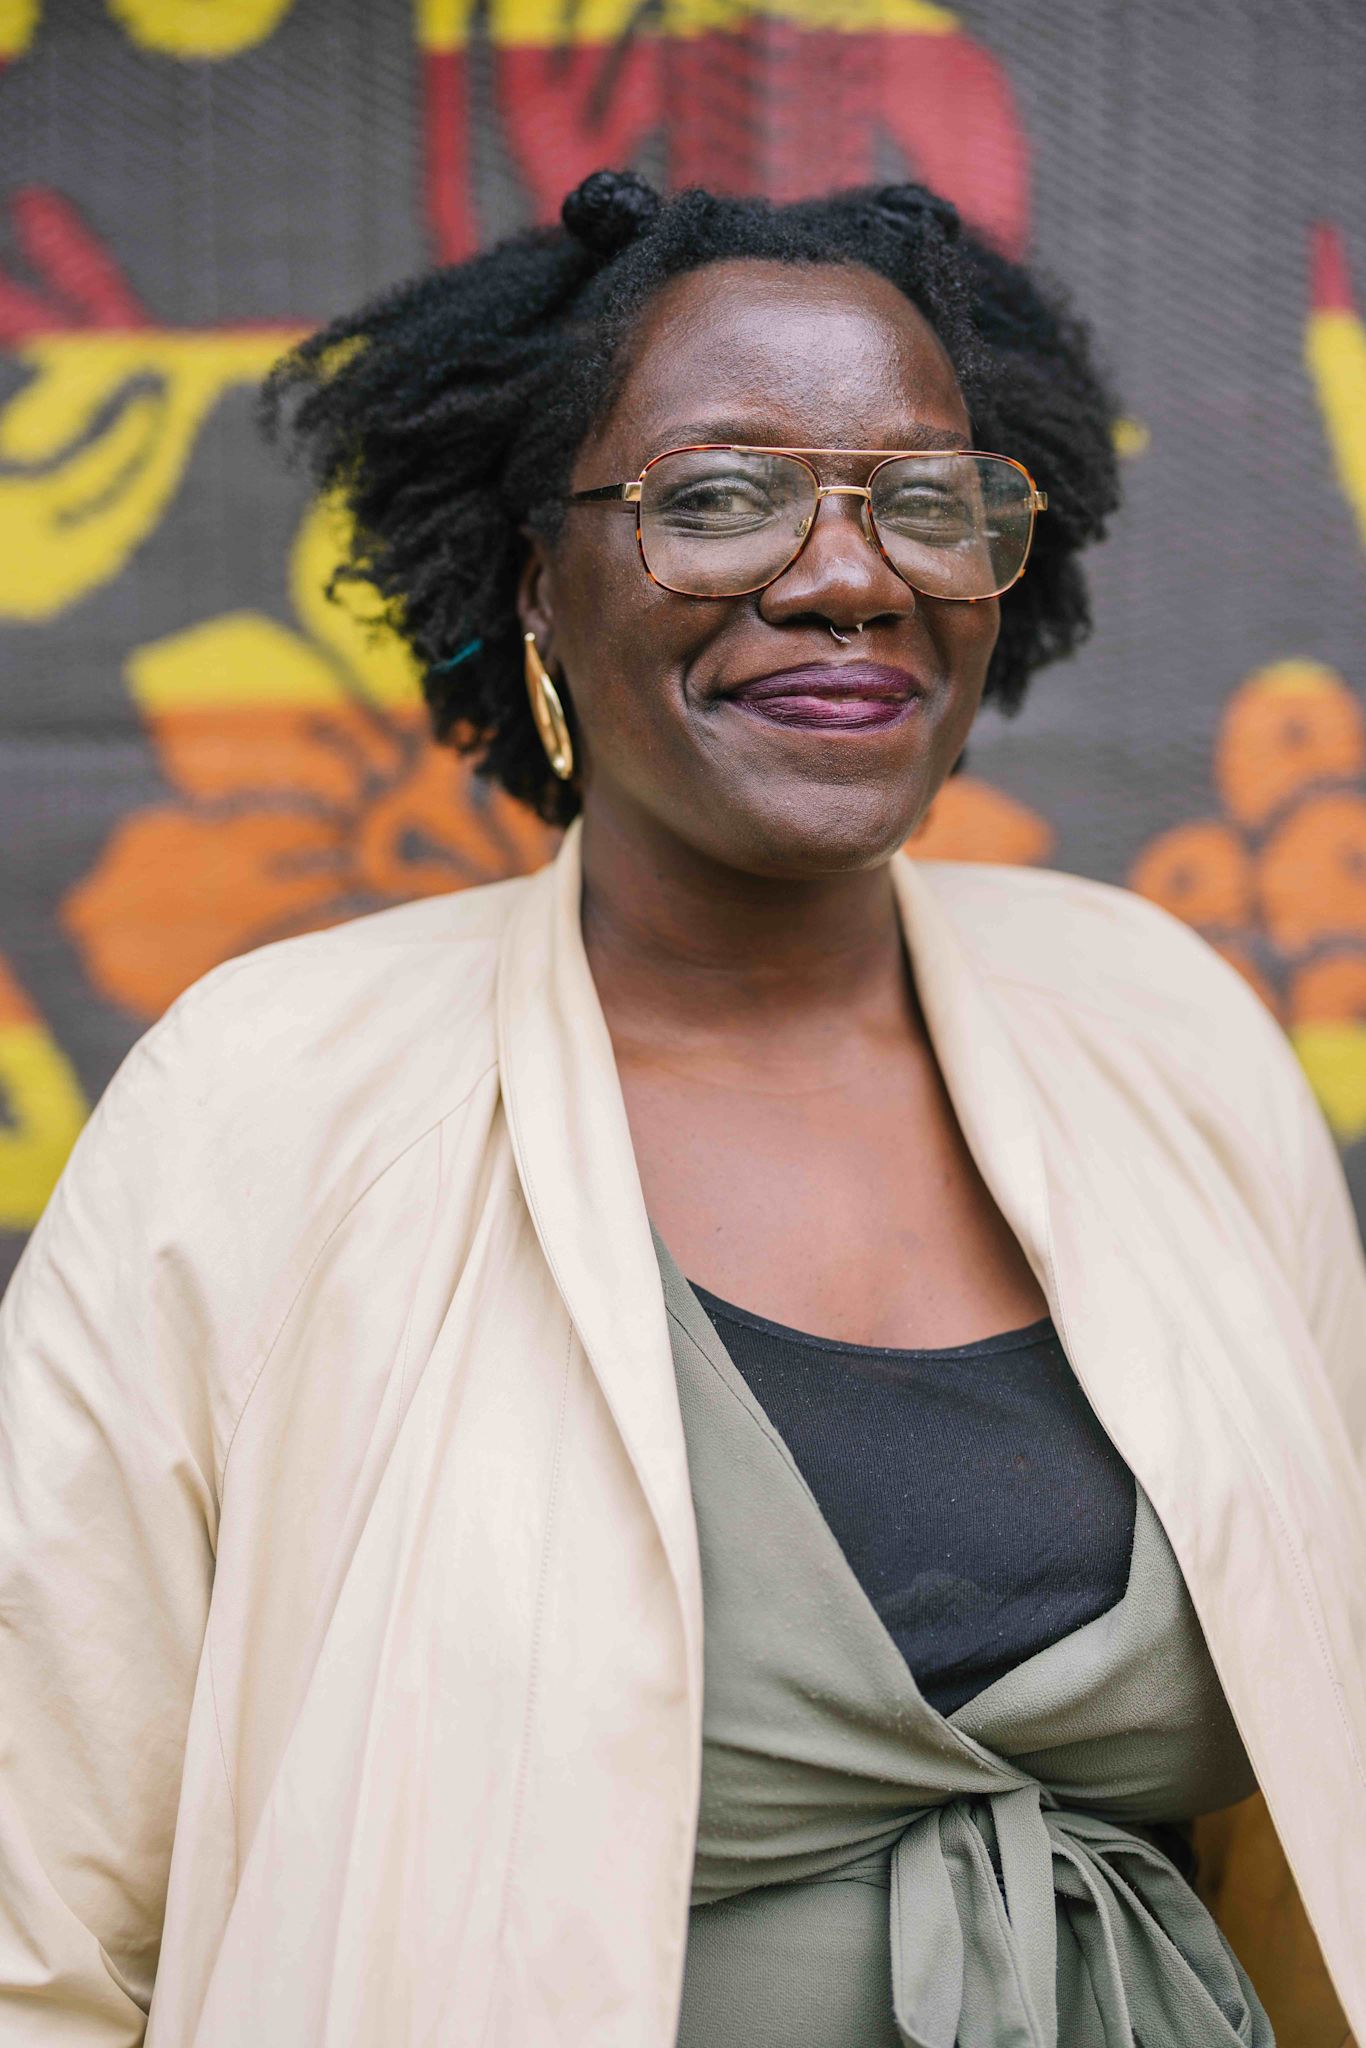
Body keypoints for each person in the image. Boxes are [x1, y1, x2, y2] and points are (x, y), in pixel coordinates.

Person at [1, 168, 1363, 2048]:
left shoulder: (1167, 1038)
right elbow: (33, 1920)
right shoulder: (268, 1100)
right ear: (529, 584)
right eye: (714, 498)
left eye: (920, 501)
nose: (846, 574)